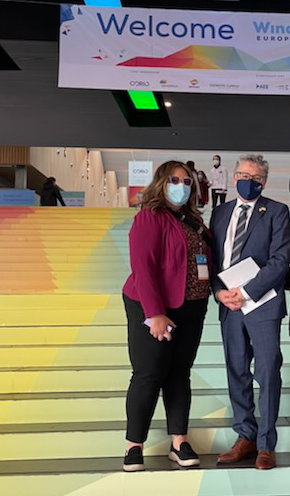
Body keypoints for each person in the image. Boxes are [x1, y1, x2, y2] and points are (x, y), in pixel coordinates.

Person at [120, 160, 211, 472]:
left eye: (187, 182)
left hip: (192, 306)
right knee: (148, 373)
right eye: (175, 180)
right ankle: (134, 445)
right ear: (161, 182)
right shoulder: (150, 217)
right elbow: (142, 268)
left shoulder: (193, 220)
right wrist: (155, 314)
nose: (181, 186)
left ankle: (179, 441)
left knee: (179, 374)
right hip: (154, 308)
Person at [210, 154, 290, 470]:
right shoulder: (219, 213)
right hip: (228, 306)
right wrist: (219, 293)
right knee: (237, 371)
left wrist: (245, 292)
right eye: (244, 174)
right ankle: (245, 436)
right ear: (234, 178)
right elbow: (213, 259)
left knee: (268, 371)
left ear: (264, 182)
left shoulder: (277, 212)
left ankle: (266, 444)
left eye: (256, 177)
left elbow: (280, 260)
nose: (250, 180)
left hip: (263, 303)